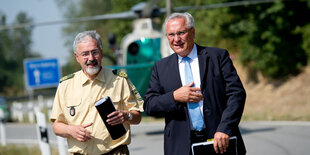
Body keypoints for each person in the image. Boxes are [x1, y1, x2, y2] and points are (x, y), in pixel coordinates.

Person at [144, 12, 246, 155]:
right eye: (171, 35)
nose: (176, 39)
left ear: (192, 32)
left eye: (181, 33)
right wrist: (174, 97)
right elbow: (149, 105)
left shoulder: (217, 57)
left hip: (220, 141)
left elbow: (237, 94)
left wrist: (225, 128)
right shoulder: (160, 68)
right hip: (181, 147)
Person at [50, 30, 144, 155]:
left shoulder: (120, 80)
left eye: (95, 52)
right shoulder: (65, 85)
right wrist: (71, 130)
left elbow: (137, 117)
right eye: (85, 54)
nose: (91, 58)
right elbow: (56, 126)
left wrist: (126, 116)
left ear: (101, 53)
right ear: (77, 57)